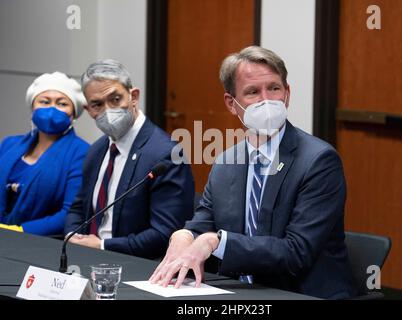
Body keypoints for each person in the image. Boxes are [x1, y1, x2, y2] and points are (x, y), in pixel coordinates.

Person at [150, 46, 357, 299]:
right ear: (231, 104)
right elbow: (204, 222)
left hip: (300, 292)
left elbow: (296, 253)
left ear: (287, 94)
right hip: (242, 292)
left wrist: (216, 241)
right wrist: (185, 235)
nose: (266, 100)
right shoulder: (227, 161)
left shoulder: (318, 161)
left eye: (274, 88)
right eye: (252, 92)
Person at [64, 59, 195, 259]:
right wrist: (73, 238)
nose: (108, 111)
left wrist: (102, 246)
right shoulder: (96, 150)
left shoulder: (166, 154)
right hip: (87, 259)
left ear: (133, 96)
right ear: (89, 110)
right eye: (97, 104)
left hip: (136, 266)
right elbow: (78, 207)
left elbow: (165, 234)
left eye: (115, 99)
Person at [0, 71, 89, 235]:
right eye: (44, 101)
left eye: (62, 104)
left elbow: (70, 214)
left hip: (41, 243)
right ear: (33, 106)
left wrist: (20, 231)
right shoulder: (8, 144)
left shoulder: (81, 152)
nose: (52, 109)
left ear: (73, 113)